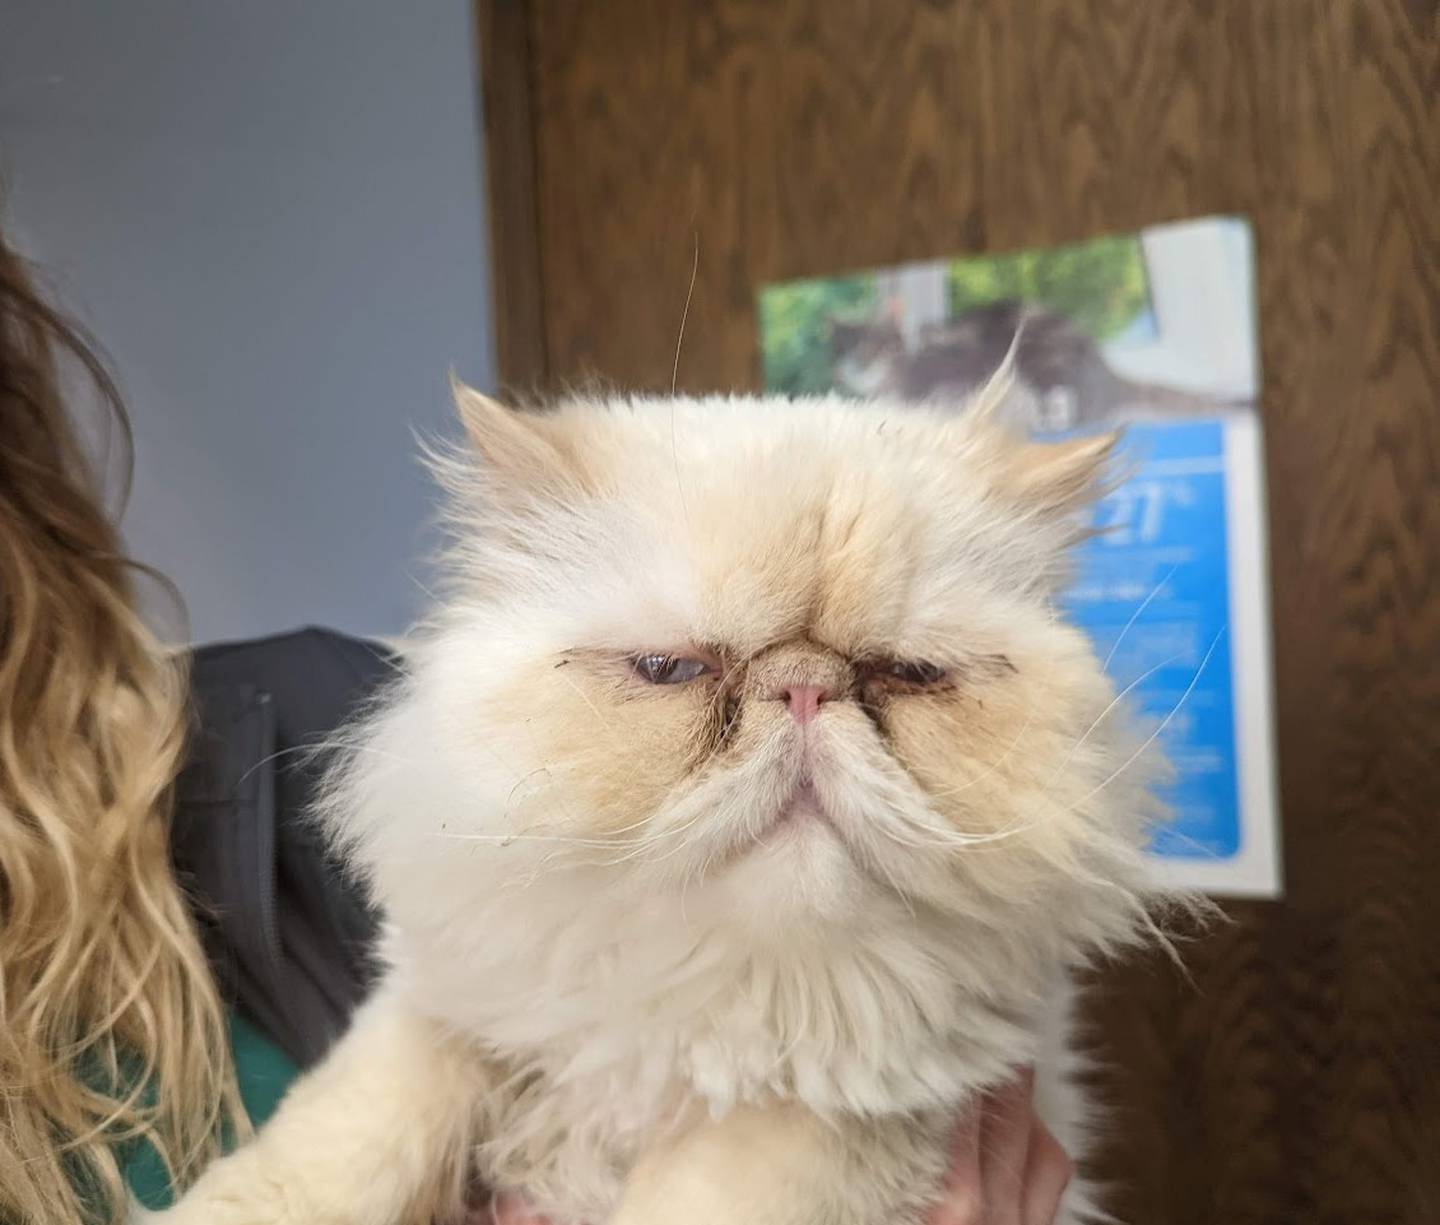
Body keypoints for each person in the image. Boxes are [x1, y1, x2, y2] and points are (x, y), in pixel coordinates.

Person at [0, 216, 1071, 1224]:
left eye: (916, 674)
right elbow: (439, 1030)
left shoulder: (281, 712)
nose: (805, 710)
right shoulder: (460, 848)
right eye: (668, 668)